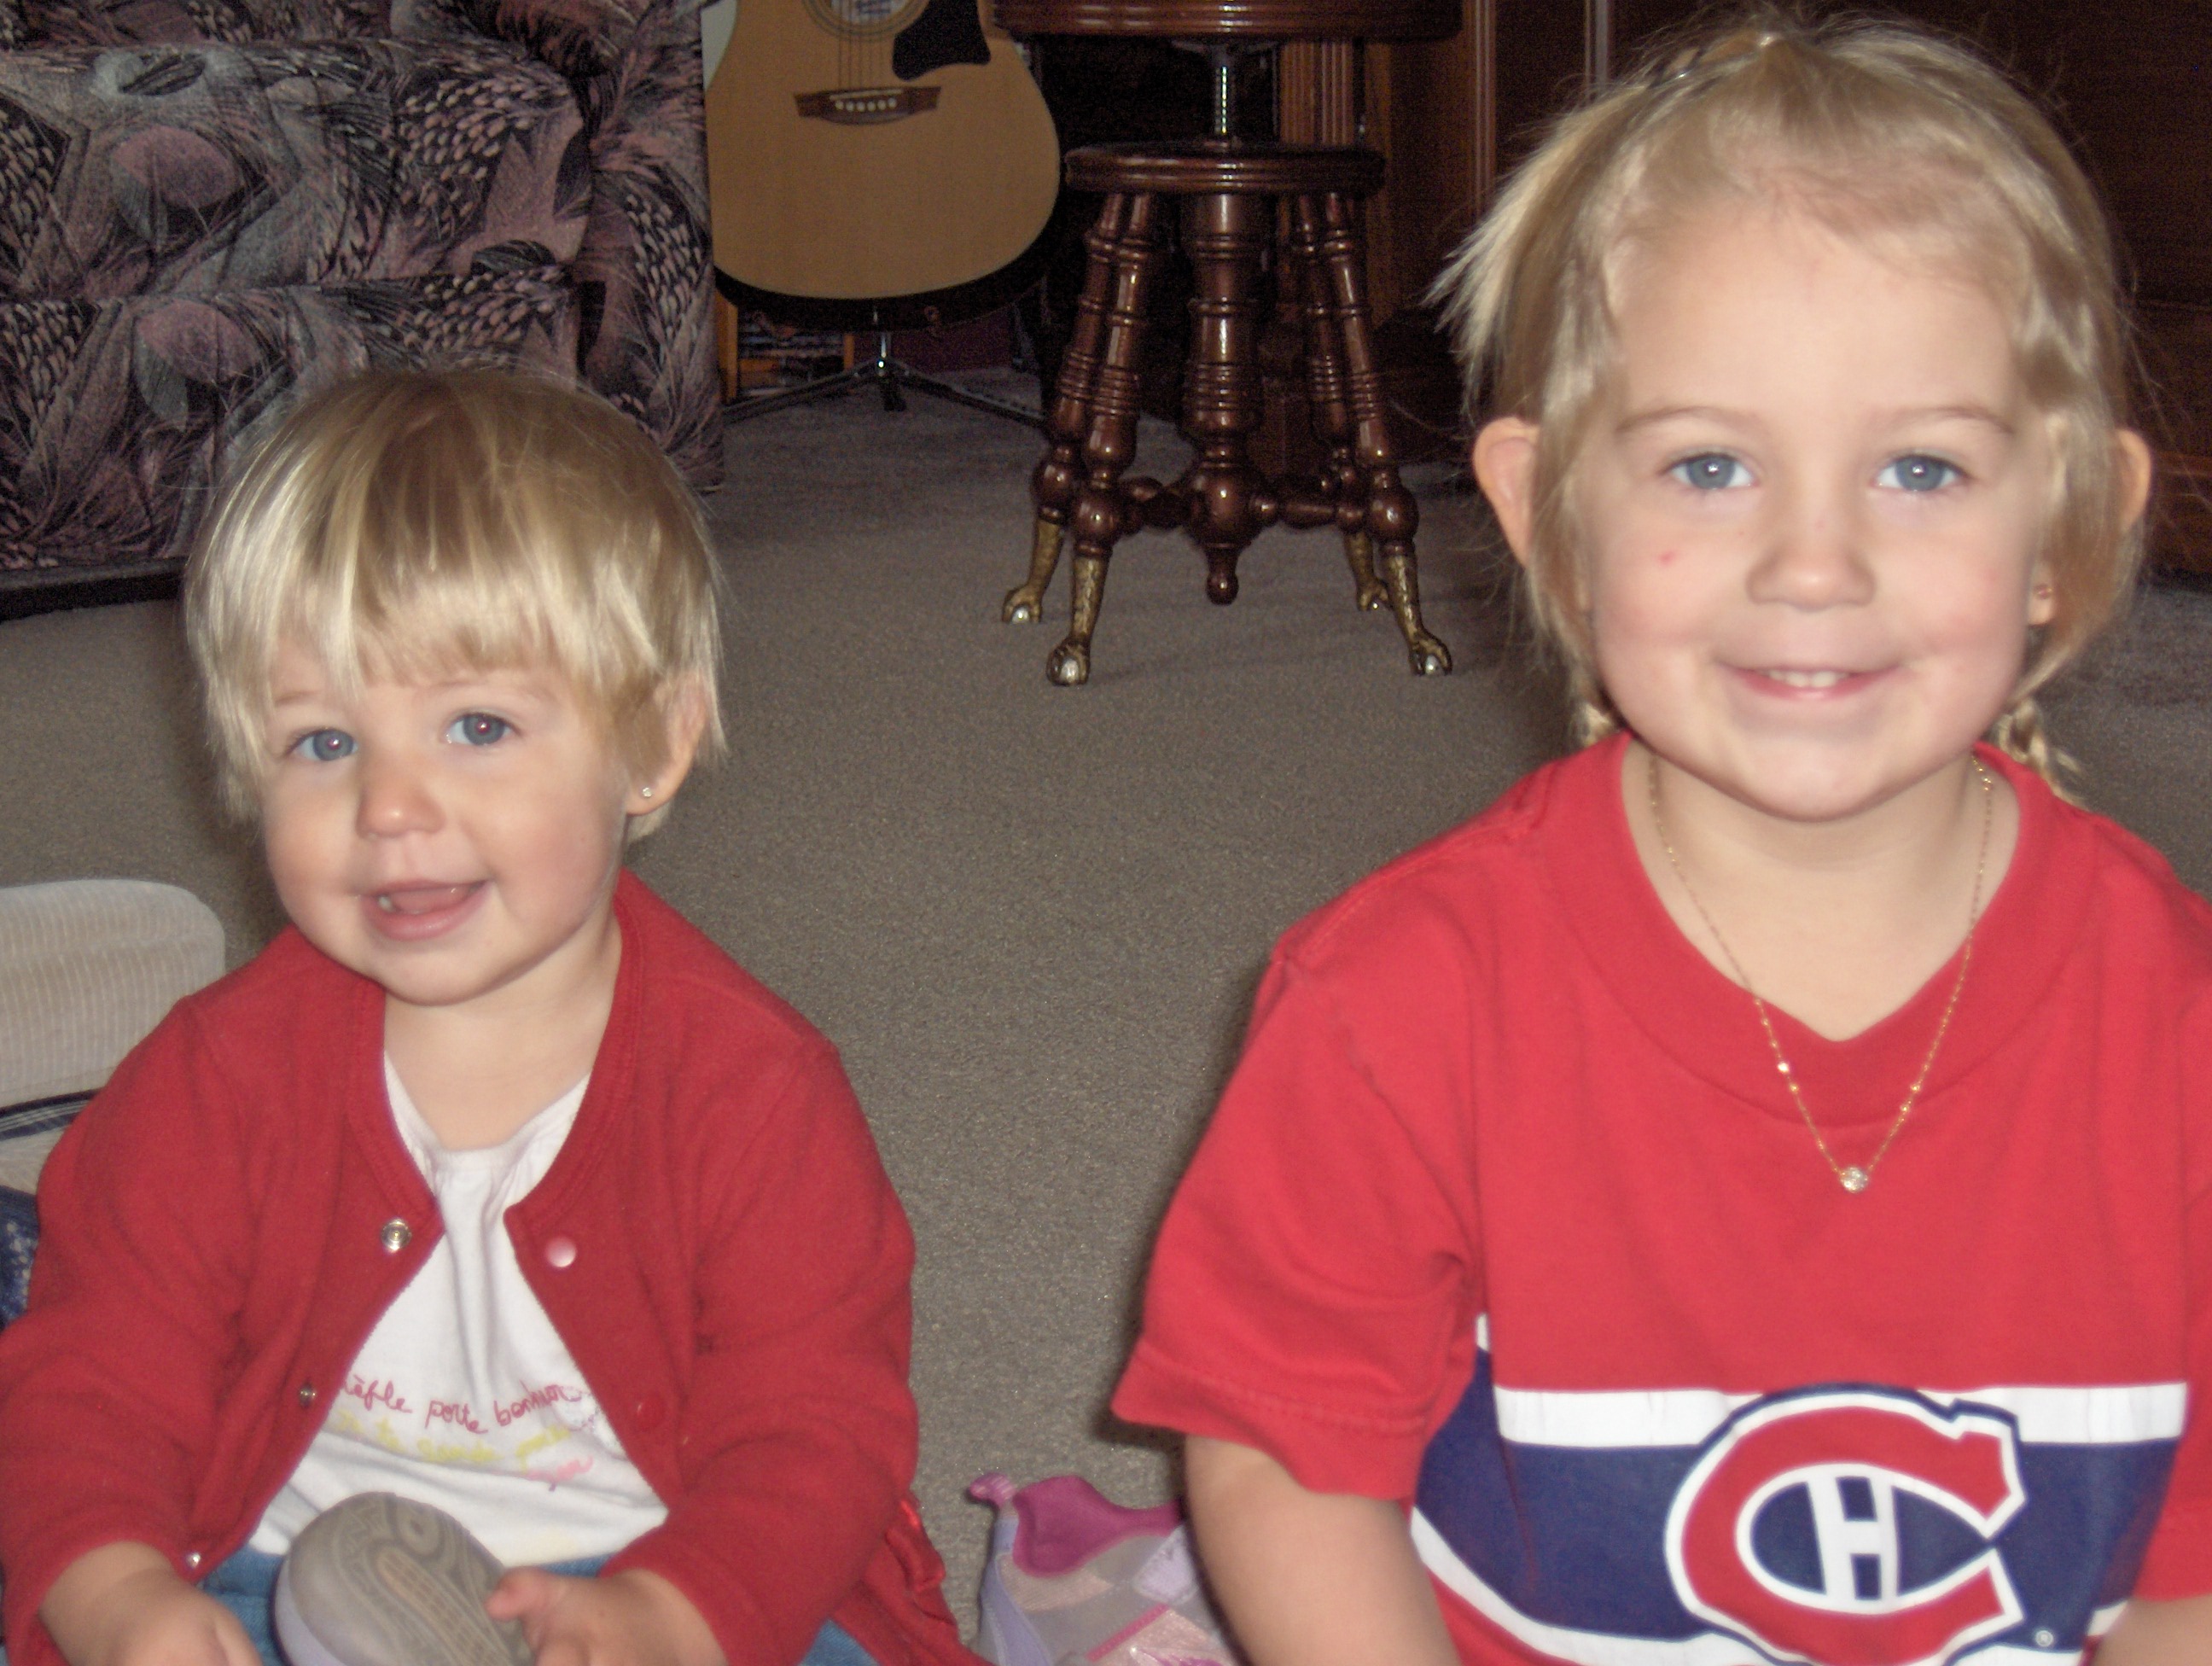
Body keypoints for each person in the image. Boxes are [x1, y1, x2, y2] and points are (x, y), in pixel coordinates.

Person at [1109, 12, 2212, 1665]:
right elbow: (1286, 1452)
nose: (1814, 564)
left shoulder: (2176, 1022)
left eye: (1921, 468)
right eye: (1710, 465)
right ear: (1552, 522)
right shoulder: (1398, 998)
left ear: (2067, 529)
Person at [0, 370, 975, 1666]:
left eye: (475, 725)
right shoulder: (210, 1078)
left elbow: (815, 1429)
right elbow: (91, 1382)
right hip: (268, 1572)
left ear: (653, 746)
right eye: (325, 743)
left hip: (662, 1573)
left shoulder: (754, 1090)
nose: (391, 807)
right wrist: (119, 1594)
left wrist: (675, 1613)